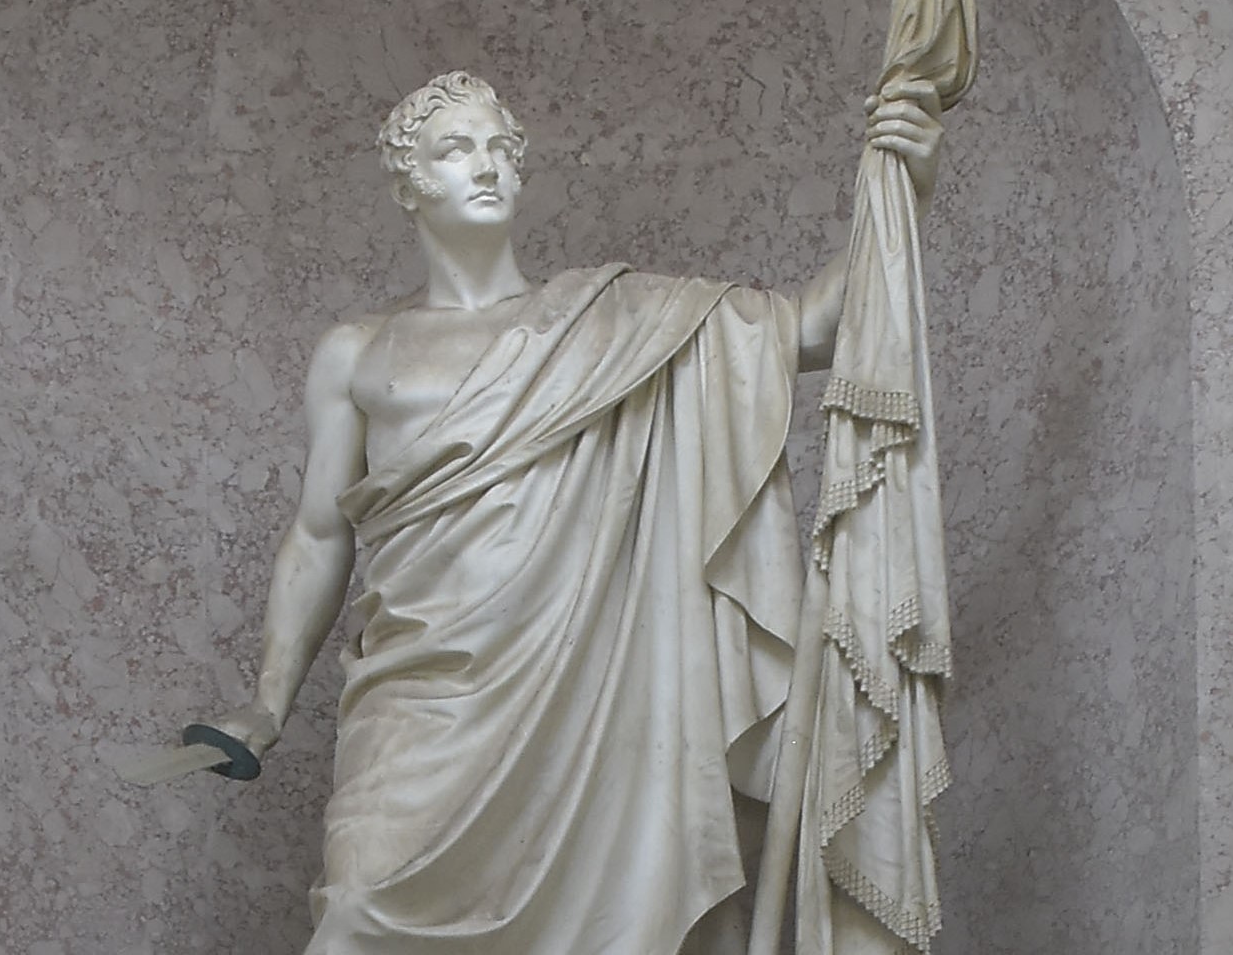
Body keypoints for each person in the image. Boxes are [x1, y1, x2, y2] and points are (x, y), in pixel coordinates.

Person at [206, 71, 942, 954]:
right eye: (454, 150)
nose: (484, 167)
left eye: (497, 148)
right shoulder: (358, 352)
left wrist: (901, 182)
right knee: (361, 906)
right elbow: (319, 535)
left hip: (592, 701)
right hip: (422, 693)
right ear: (408, 185)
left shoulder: (613, 327)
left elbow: (814, 327)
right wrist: (267, 701)